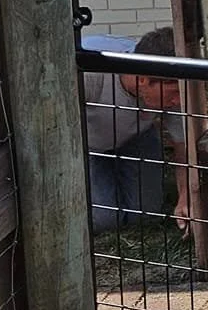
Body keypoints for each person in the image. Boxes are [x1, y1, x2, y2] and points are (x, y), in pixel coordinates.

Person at [81, 27, 193, 234]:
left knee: (146, 215)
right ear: (142, 80)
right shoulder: (90, 74)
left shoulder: (172, 85)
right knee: (104, 220)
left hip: (136, 136)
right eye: (174, 93)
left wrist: (186, 197)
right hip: (86, 144)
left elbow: (183, 150)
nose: (178, 101)